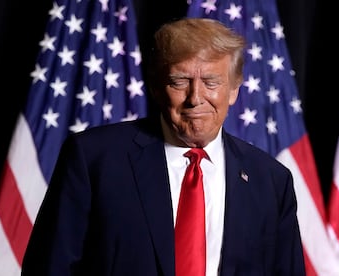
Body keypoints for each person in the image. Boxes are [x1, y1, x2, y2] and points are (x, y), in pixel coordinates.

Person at [21, 18, 306, 276]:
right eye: (180, 82)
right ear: (157, 87)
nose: (196, 98)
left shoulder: (271, 181)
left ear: (233, 90)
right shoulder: (93, 159)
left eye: (211, 82)